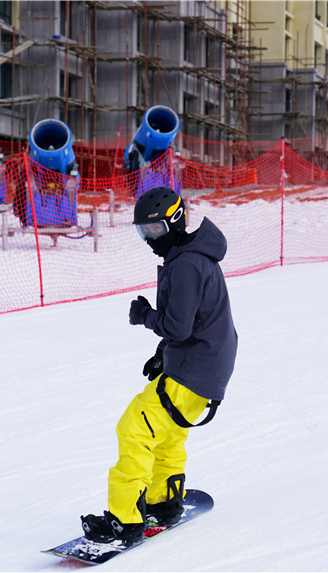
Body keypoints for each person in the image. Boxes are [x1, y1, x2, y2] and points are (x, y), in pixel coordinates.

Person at [81, 186, 238, 544]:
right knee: (167, 432)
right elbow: (193, 322)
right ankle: (164, 500)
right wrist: (164, 353)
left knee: (135, 426)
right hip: (208, 364)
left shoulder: (186, 264)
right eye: (143, 231)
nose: (149, 239)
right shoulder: (193, 257)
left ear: (175, 223)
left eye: (155, 230)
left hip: (197, 365)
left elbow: (177, 325)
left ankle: (125, 519)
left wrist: (144, 316)